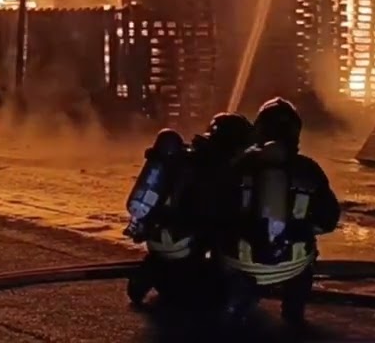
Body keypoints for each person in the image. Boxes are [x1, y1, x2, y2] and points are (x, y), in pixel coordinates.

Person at [216, 97, 341, 327]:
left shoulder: (241, 164)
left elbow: (216, 210)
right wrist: (299, 227)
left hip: (240, 262)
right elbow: (329, 220)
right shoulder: (309, 169)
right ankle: (294, 307)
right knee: (308, 252)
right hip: (291, 265)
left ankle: (234, 293)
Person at [123, 128, 197, 306]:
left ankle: (146, 277)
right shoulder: (189, 172)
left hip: (154, 242)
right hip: (182, 247)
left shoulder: (154, 174)